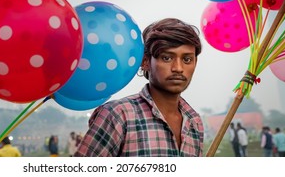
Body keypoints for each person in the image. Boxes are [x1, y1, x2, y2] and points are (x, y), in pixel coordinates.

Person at [74, 18, 204, 157]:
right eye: (167, 58)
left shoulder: (194, 122)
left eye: (187, 59)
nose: (178, 68)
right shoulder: (118, 115)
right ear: (145, 62)